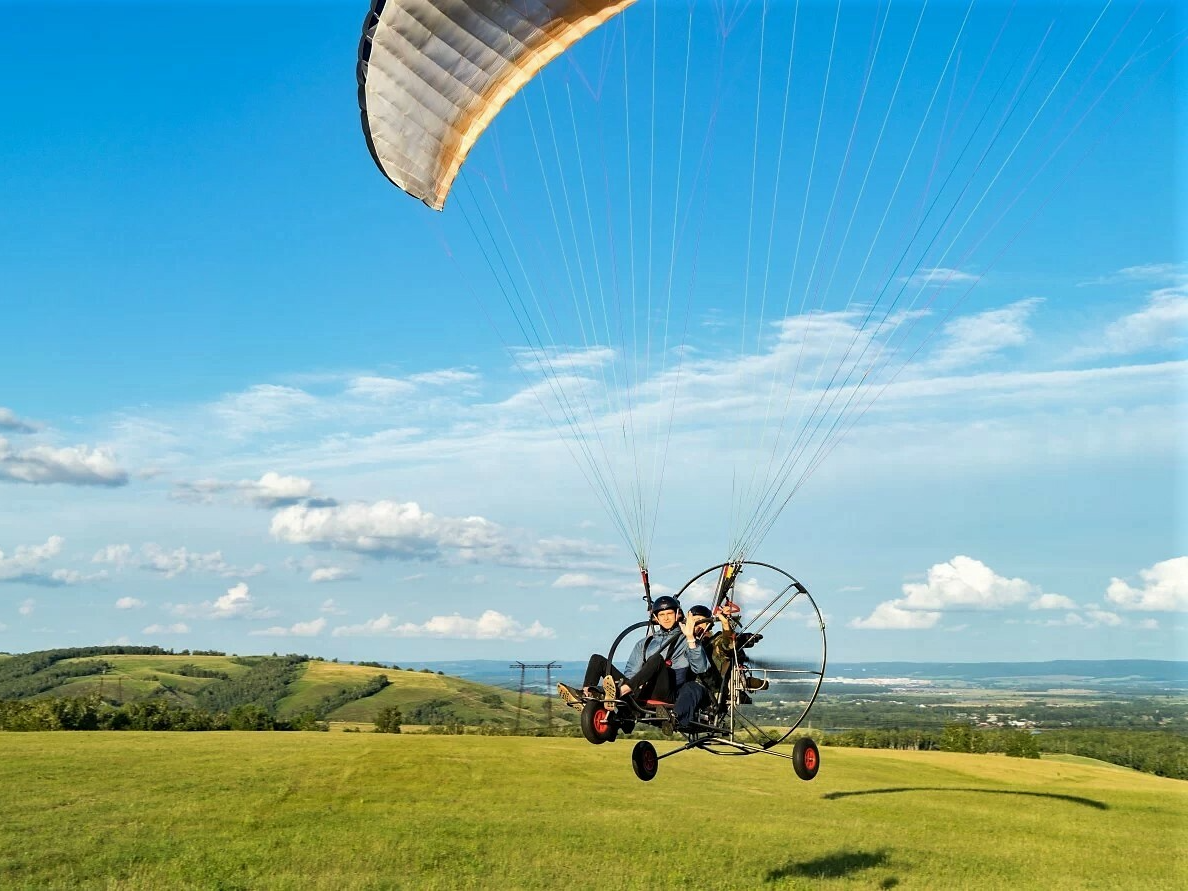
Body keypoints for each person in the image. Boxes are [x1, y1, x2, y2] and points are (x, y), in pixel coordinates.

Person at [559, 596, 713, 730]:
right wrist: (630, 683)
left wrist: (691, 639)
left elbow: (700, 668)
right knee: (597, 660)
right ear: (656, 618)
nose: (666, 618)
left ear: (677, 614)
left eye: (669, 614)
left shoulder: (686, 640)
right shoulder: (645, 643)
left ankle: (618, 693)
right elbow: (632, 672)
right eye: (662, 614)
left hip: (667, 691)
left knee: (657, 660)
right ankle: (587, 696)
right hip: (639, 688)